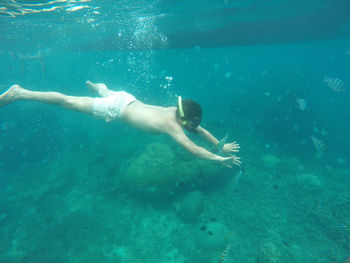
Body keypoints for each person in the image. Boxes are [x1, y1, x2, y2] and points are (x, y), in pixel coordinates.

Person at [0, 81, 241, 167]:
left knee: (108, 92)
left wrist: (218, 145)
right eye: (193, 121)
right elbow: (194, 150)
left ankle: (99, 87)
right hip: (116, 109)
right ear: (184, 118)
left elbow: (198, 130)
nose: (195, 125)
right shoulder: (172, 126)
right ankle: (20, 93)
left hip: (128, 98)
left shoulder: (174, 113)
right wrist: (219, 159)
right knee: (67, 102)